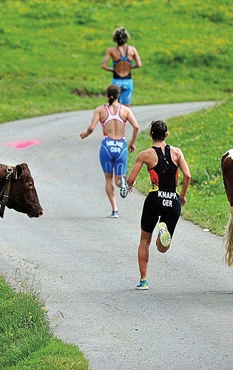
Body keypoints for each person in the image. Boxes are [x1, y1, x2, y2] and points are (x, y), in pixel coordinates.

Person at [124, 119, 191, 290]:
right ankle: (163, 230)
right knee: (162, 248)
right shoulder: (177, 153)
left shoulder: (145, 154)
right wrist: (181, 196)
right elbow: (187, 176)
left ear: (150, 135)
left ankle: (143, 280)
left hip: (154, 199)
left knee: (144, 240)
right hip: (173, 200)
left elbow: (130, 179)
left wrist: (130, 185)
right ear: (167, 134)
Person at [80, 84, 140, 218]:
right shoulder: (125, 111)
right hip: (120, 146)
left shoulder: (100, 110)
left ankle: (114, 210)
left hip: (107, 146)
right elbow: (136, 126)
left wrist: (85, 134)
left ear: (107, 95)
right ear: (119, 96)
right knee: (118, 180)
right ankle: (125, 182)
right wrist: (132, 143)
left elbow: (91, 128)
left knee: (108, 179)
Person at [101, 27, 142, 106]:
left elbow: (103, 66)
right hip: (128, 80)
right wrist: (129, 67)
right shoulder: (132, 50)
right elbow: (139, 64)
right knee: (126, 108)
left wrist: (113, 69)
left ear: (115, 38)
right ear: (127, 38)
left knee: (115, 106)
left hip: (116, 81)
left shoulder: (111, 50)